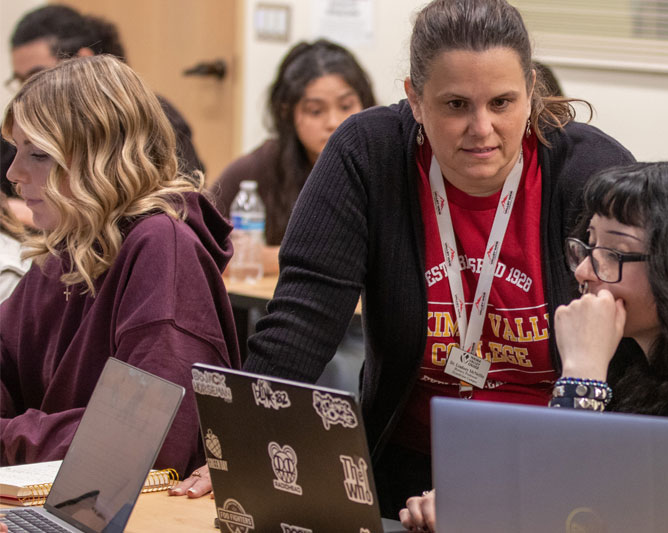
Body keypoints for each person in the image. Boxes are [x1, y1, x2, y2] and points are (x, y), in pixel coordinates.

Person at [171, 0, 636, 514]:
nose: (482, 129)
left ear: (531, 89)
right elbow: (301, 323)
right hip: (406, 471)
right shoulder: (368, 155)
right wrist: (241, 443)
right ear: (414, 98)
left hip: (557, 471)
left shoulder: (591, 169)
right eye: (456, 104)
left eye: (502, 102)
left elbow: (640, 347)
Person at [399, 161, 668, 532]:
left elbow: (572, 515)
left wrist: (582, 374)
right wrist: (474, 502)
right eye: (588, 242)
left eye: (614, 252)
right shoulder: (644, 366)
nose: (585, 269)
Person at [0, 56, 240, 473]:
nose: (14, 173)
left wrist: (11, 436)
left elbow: (141, 443)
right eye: (17, 151)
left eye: (38, 155)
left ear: (101, 158)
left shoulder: (162, 248)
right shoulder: (70, 244)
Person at [211, 39, 375, 276]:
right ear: (287, 112)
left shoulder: (383, 162)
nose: (333, 122)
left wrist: (275, 257)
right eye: (315, 111)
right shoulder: (259, 167)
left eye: (346, 106)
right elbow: (198, 246)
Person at [4, 5, 205, 180]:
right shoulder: (26, 128)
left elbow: (179, 204)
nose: (27, 90)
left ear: (81, 61)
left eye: (37, 75)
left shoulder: (152, 119)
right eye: (21, 80)